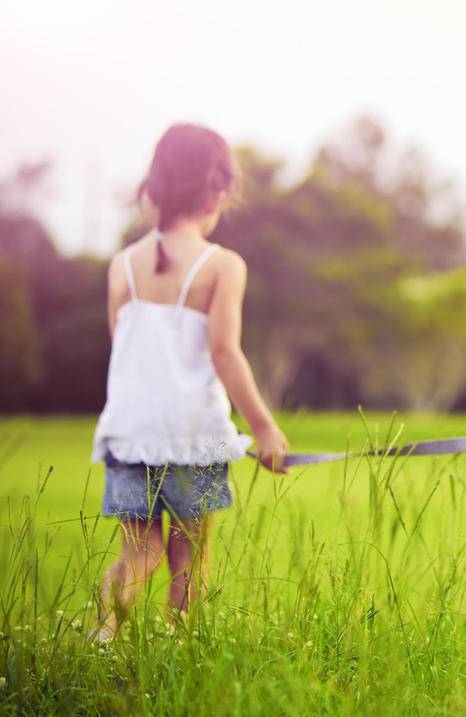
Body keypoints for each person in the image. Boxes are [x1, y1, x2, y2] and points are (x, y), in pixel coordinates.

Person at [90, 123, 289, 639]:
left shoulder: (121, 267)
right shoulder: (222, 265)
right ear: (218, 192)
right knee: (189, 560)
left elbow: (123, 350)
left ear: (152, 190)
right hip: (192, 437)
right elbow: (225, 353)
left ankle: (100, 637)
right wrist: (264, 429)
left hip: (130, 434)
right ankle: (183, 652)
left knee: (139, 551)